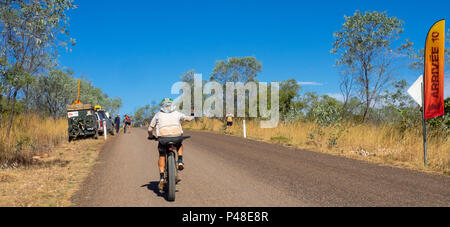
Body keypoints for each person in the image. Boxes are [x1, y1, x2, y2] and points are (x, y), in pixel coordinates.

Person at [148, 98, 193, 191]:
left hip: (163, 139)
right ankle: (180, 160)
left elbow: (149, 129)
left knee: (161, 155)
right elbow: (188, 119)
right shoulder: (177, 113)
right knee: (179, 144)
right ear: (172, 104)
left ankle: (161, 178)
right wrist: (192, 115)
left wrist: (151, 136)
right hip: (176, 137)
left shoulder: (158, 115)